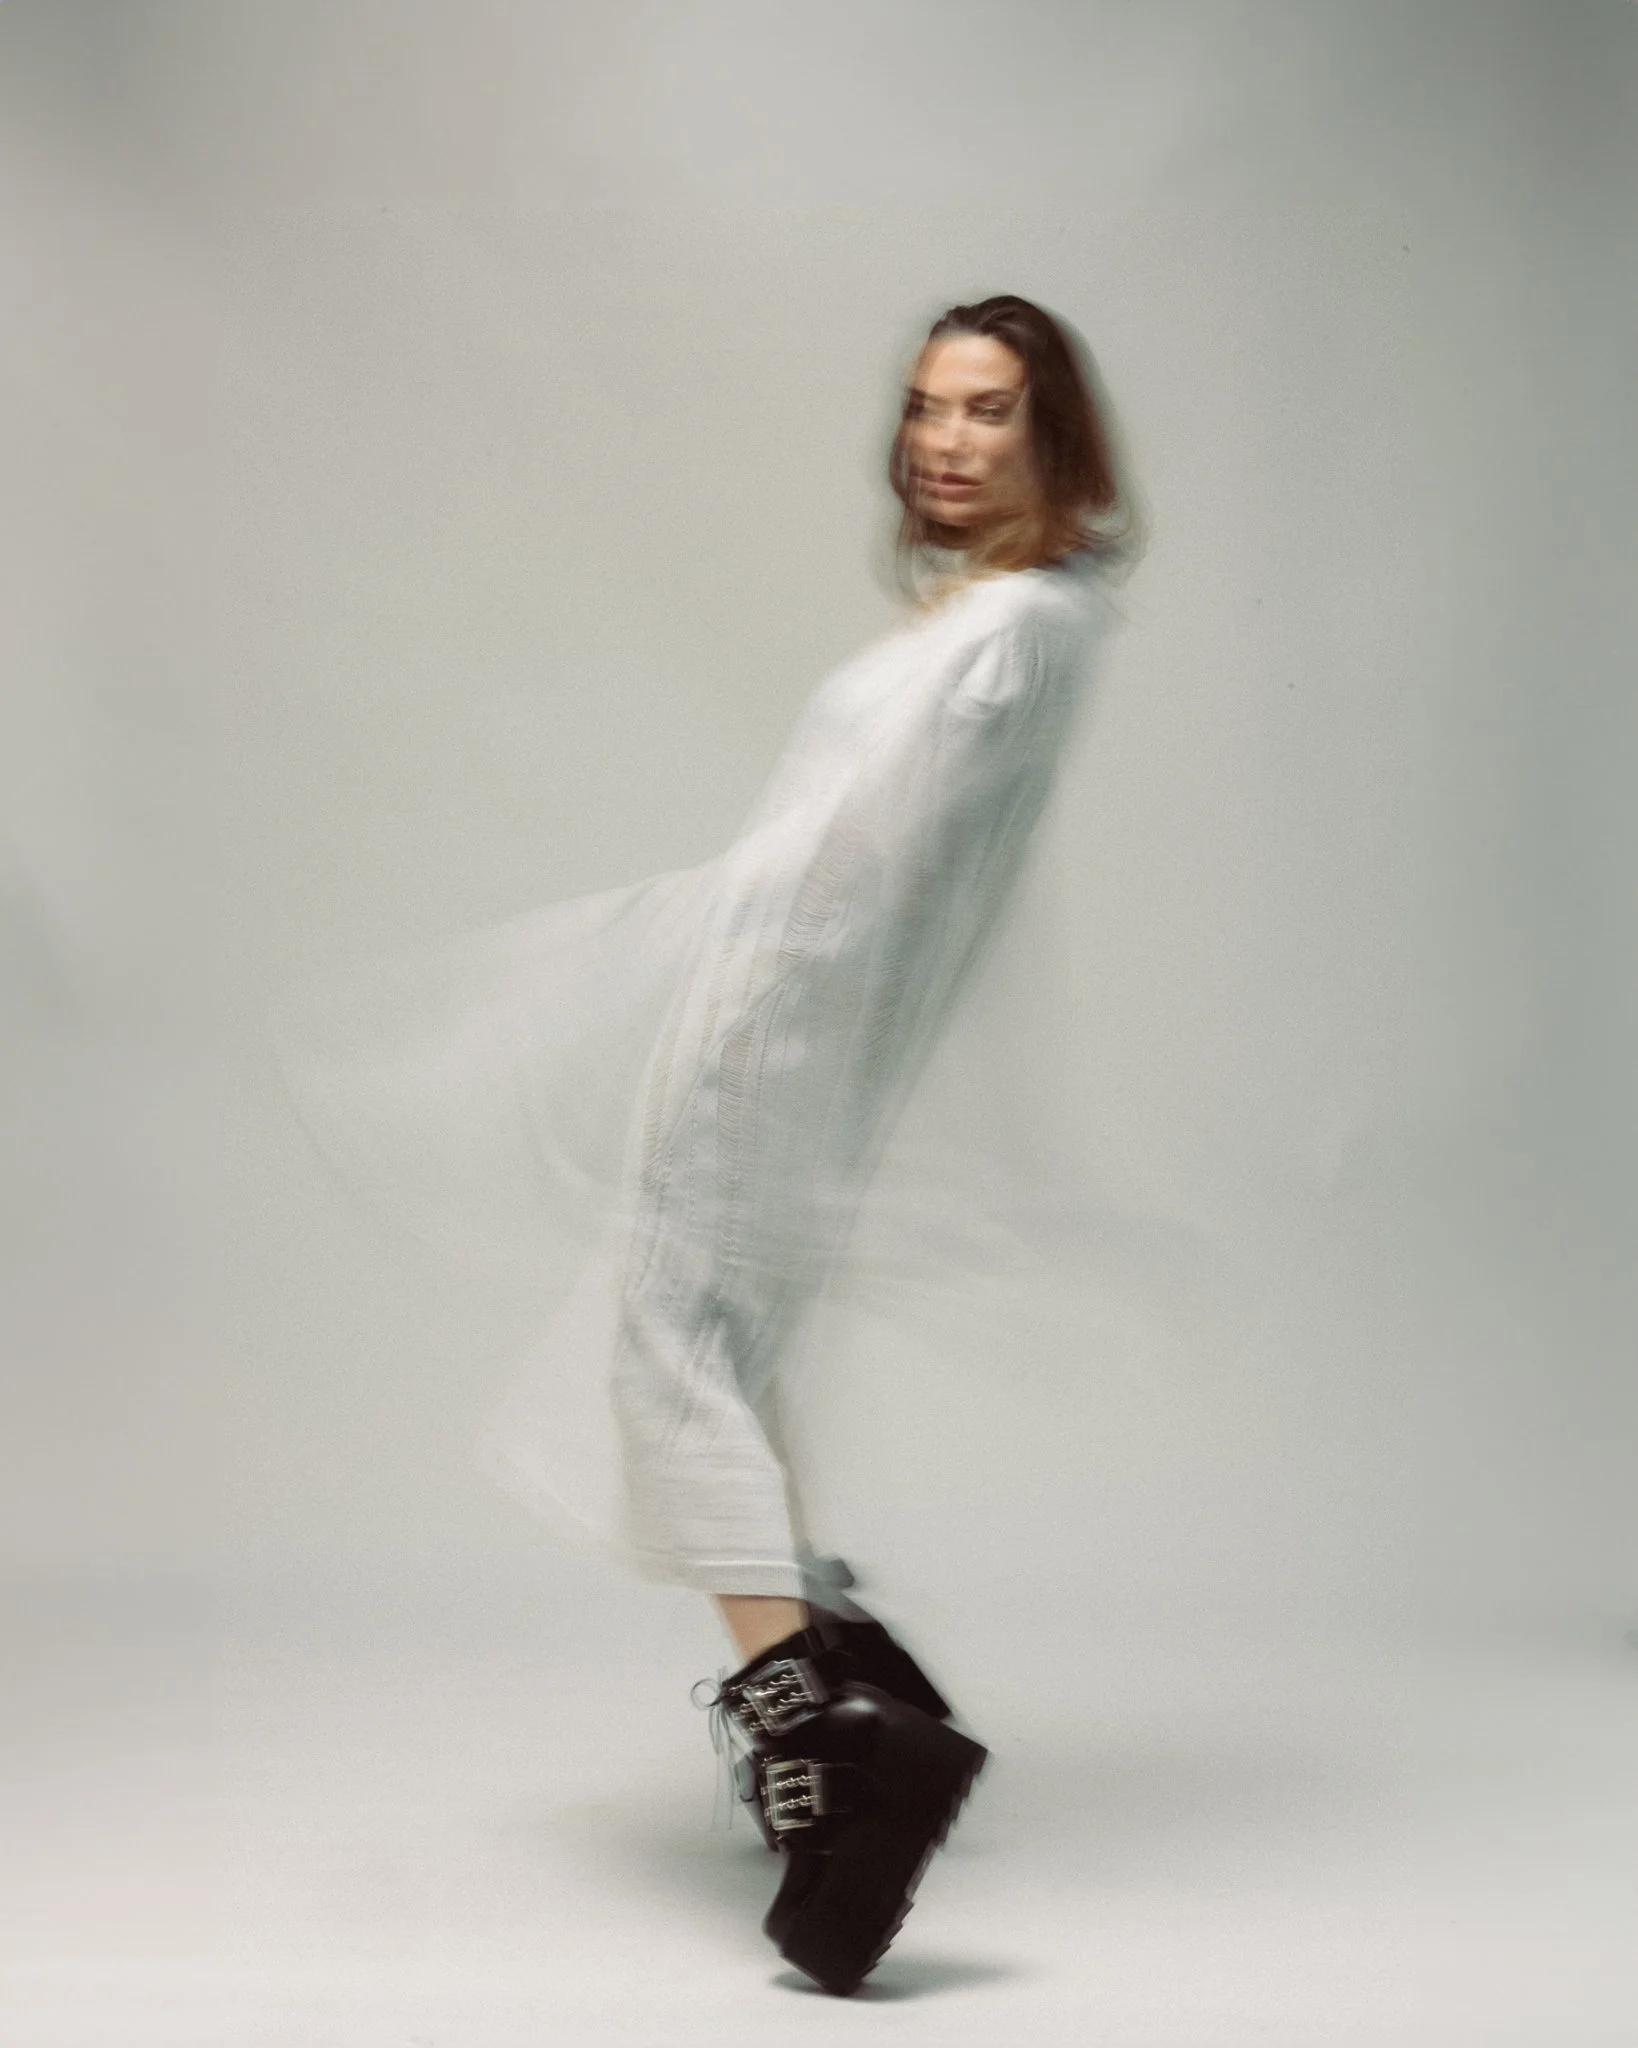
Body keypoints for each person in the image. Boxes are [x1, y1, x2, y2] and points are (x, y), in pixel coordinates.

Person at [273, 293, 1141, 1995]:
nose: (942, 440)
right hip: (800, 1037)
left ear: (1056, 436)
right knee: (717, 1360)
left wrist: (680, 992)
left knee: (668, 1364)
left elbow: (844, 875)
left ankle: (835, 1752)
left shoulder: (998, 634)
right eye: (926, 406)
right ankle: (849, 1664)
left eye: (986, 410)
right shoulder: (1029, 620)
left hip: (768, 1034)